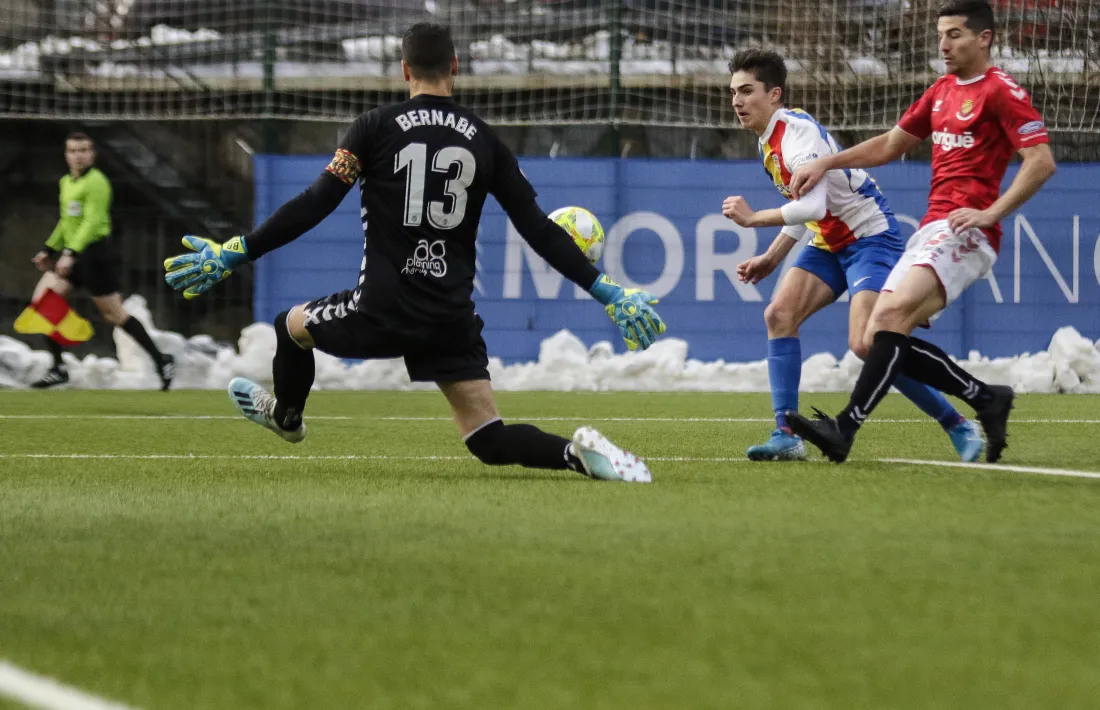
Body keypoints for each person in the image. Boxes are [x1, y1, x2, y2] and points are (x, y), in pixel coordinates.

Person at [162, 22, 666, 483]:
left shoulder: (374, 127)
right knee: (487, 437)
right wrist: (607, 290)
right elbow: (538, 229)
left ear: (404, 69)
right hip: (447, 314)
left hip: (380, 307)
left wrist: (235, 251)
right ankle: (577, 456)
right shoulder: (485, 140)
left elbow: (316, 202)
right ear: (455, 67)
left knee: (288, 326)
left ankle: (287, 420)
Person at [784, 0, 1056, 463]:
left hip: (964, 232)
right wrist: (827, 160)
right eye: (940, 35)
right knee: (872, 340)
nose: (943, 44)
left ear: (984, 38)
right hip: (932, 230)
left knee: (888, 321)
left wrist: (991, 213)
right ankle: (985, 398)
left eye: (954, 35)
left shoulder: (1000, 92)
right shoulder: (941, 91)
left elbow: (1041, 161)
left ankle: (844, 429)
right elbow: (891, 144)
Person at [721, 48, 983, 463]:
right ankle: (786, 433)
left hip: (869, 237)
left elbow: (812, 208)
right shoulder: (768, 142)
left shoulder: (795, 134)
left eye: (746, 91)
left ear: (774, 94)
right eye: (733, 91)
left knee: (868, 343)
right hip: (829, 241)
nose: (737, 100)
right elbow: (807, 207)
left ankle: (958, 423)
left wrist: (754, 221)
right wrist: (773, 256)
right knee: (778, 315)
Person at [29, 132, 175, 390]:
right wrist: (49, 249)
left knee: (114, 314)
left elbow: (92, 221)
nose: (78, 155)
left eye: (84, 150)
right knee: (43, 302)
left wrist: (70, 253)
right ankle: (58, 367)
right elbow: (67, 222)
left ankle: (162, 359)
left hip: (94, 256)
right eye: (73, 151)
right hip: (72, 255)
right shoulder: (66, 182)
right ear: (66, 155)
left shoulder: (97, 183)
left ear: (92, 154)